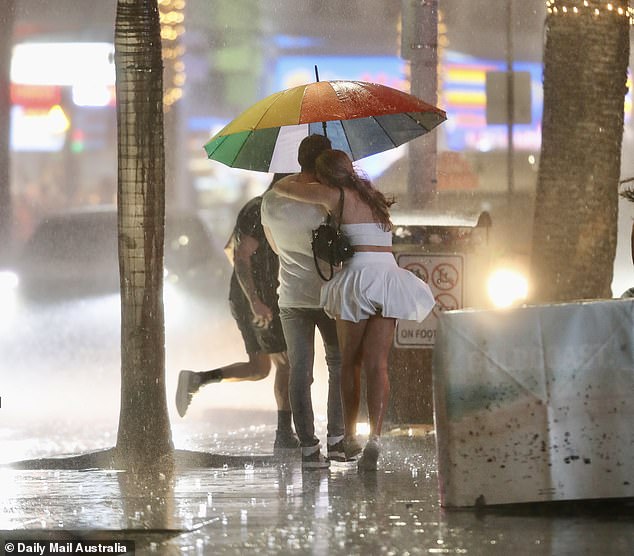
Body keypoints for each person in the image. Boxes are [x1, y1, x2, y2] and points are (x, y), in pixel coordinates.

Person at [274, 149, 436, 471]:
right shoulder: (372, 196)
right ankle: (375, 436)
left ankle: (349, 435)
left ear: (326, 175)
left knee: (349, 364)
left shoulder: (333, 194)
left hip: (358, 278)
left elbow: (282, 189)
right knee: (379, 365)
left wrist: (306, 177)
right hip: (387, 275)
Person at [175, 173, 300, 454]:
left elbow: (231, 249)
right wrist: (255, 300)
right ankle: (283, 435)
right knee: (287, 363)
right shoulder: (260, 210)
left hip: (256, 297)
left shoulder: (268, 210)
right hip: (257, 299)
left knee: (259, 369)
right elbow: (241, 256)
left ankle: (196, 380)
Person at [261, 134, 352, 469]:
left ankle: (309, 449)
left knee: (300, 372)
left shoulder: (271, 200)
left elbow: (273, 246)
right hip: (329, 294)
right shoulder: (326, 198)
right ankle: (338, 440)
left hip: (291, 296)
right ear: (322, 161)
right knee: (338, 365)